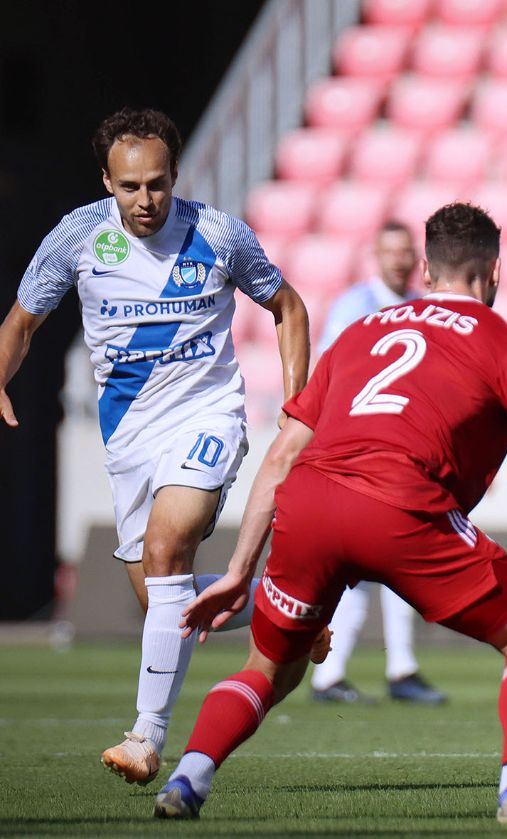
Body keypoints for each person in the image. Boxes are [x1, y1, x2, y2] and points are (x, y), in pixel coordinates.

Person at [151, 203, 507, 824]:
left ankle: (188, 779)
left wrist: (239, 571)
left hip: (310, 504)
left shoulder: (361, 332)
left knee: (270, 667)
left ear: (427, 272)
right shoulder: (499, 340)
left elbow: (281, 456)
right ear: (495, 273)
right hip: (402, 508)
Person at [0, 107, 309, 785]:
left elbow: (288, 307)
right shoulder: (79, 237)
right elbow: (21, 322)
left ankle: (147, 736)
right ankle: (294, 607)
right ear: (106, 181)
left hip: (206, 417)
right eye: (130, 186)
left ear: (175, 175)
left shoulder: (218, 234)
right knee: (164, 603)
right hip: (129, 439)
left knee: (169, 550)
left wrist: (298, 409)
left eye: (158, 183)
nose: (146, 200)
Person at [309, 220, 447, 706]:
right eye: (390, 251)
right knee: (363, 557)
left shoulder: (422, 308)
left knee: (400, 556)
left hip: (407, 448)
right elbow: (328, 371)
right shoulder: (354, 306)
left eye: (405, 251)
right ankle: (330, 673)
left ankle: (398, 667)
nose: (398, 260)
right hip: (360, 446)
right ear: (377, 255)